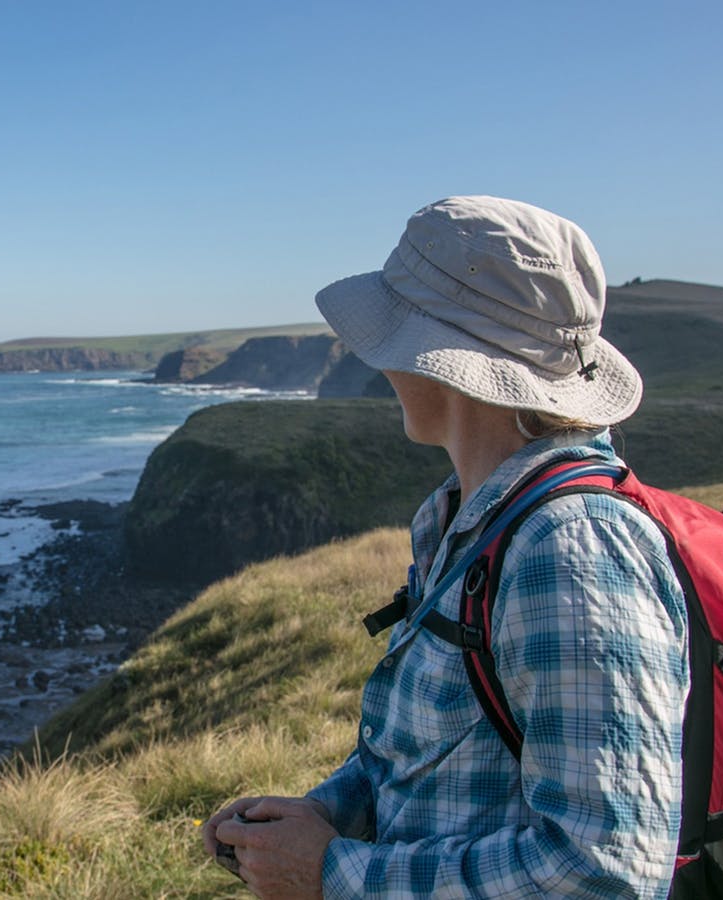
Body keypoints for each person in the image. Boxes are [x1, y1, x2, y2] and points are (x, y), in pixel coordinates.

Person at [202, 196, 689, 898]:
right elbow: (438, 757)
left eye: (394, 335)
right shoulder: (467, 521)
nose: (377, 360)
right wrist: (319, 815)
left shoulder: (568, 551)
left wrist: (332, 872)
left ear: (444, 361)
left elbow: (605, 872)